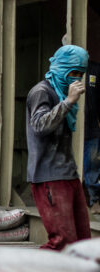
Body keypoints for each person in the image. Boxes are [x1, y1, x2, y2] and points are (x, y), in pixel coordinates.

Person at [26, 44, 91, 250]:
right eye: (73, 73)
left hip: (69, 174)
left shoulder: (62, 92)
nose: (77, 78)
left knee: (83, 243)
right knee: (62, 242)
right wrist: (68, 102)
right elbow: (39, 125)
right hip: (49, 177)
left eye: (81, 74)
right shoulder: (42, 92)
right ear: (61, 68)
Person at [84, 55, 100, 215]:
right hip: (71, 128)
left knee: (92, 165)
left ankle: (94, 200)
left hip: (92, 127)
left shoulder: (95, 69)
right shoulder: (63, 69)